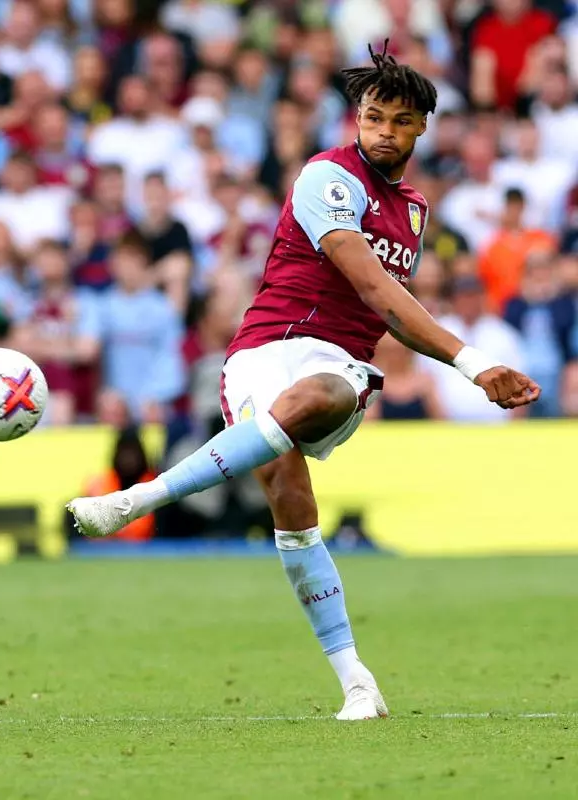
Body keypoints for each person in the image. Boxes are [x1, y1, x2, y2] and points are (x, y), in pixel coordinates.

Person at [66, 45, 540, 722]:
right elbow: (376, 287)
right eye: (372, 116)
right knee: (291, 500)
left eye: (398, 121)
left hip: (338, 359)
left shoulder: (412, 211)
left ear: (420, 130)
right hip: (262, 349)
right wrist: (473, 362)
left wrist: (467, 363)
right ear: (357, 117)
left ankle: (141, 498)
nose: (381, 131)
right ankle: (357, 682)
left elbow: (390, 315)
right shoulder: (327, 177)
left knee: (322, 397)